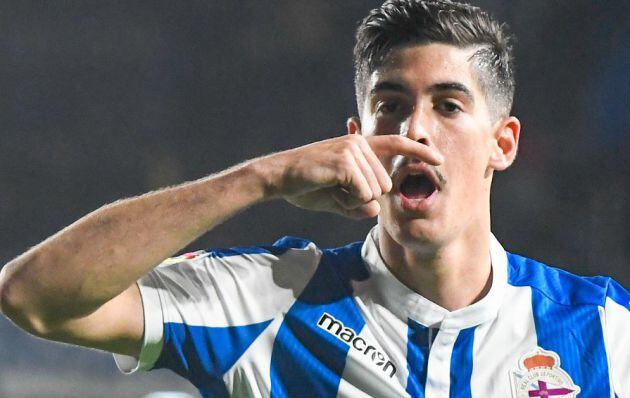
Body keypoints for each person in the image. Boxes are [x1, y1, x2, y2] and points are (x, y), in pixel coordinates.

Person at [0, 0, 628, 396]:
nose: (414, 130)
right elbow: (34, 296)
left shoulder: (602, 331)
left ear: (503, 142)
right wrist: (260, 178)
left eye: (448, 105)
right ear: (354, 138)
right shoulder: (269, 300)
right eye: (391, 105)